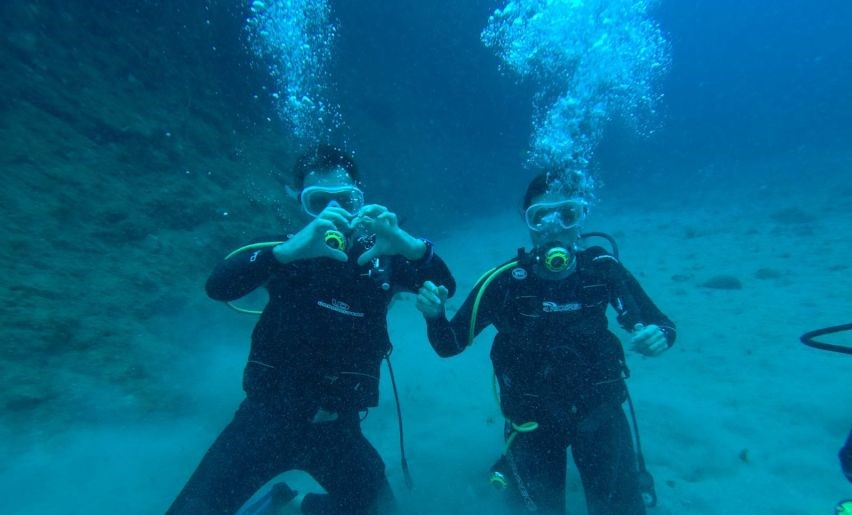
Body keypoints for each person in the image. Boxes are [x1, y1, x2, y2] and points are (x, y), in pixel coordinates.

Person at [167, 145, 456, 515]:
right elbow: (218, 286)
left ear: (361, 199)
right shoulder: (288, 253)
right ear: (301, 204)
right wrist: (283, 254)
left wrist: (409, 245)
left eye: (346, 199)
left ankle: (292, 505)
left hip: (338, 431)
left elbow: (446, 284)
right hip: (264, 421)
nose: (335, 211)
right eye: (319, 201)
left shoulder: (382, 259)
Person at [414, 172, 676, 515]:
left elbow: (663, 325)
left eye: (566, 215)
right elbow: (450, 345)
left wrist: (658, 337)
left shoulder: (602, 269)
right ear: (529, 224)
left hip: (600, 409)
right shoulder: (504, 281)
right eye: (540, 216)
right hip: (531, 420)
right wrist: (435, 315)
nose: (553, 228)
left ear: (581, 217)